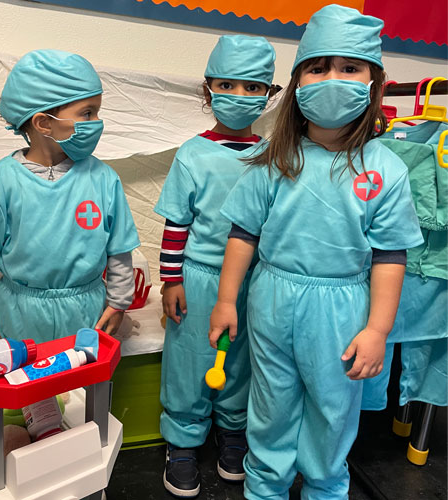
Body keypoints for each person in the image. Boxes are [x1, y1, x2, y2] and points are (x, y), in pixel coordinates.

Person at [209, 5, 424, 500]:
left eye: (350, 68)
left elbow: (390, 256)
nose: (332, 78)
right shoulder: (273, 159)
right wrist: (225, 300)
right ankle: (265, 487)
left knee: (333, 409)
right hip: (272, 300)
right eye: (318, 66)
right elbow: (243, 235)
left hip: (343, 308)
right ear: (297, 80)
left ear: (375, 81)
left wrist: (377, 329)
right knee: (270, 406)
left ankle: (326, 488)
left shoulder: (386, 170)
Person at [154, 35, 276, 498]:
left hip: (253, 280)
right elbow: (176, 223)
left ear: (270, 94)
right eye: (227, 84)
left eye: (252, 87)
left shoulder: (273, 155)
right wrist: (170, 280)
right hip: (200, 276)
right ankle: (183, 442)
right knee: (190, 359)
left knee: (242, 359)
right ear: (208, 91)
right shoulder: (193, 153)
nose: (240, 96)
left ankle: (233, 430)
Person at [0, 49, 140, 344]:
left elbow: (119, 250)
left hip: (88, 311)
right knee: (29, 387)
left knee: (86, 388)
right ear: (44, 123)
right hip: (20, 315)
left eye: (97, 111)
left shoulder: (104, 180)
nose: (97, 122)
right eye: (87, 113)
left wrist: (118, 302)